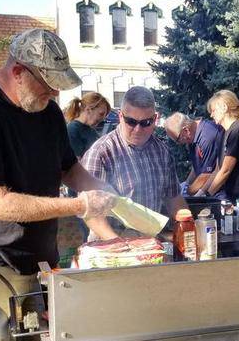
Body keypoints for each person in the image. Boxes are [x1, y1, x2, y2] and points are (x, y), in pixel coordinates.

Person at [0, 28, 118, 314]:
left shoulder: (47, 112)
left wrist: (103, 189)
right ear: (18, 71)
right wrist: (79, 205)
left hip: (39, 258)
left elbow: (69, 169)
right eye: (47, 82)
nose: (55, 91)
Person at [82, 86, 187, 237]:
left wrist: (189, 227)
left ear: (155, 119)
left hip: (149, 243)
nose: (138, 129)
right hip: (109, 243)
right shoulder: (101, 152)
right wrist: (117, 243)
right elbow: (91, 212)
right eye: (131, 122)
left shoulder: (162, 152)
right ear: (120, 116)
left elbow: (173, 198)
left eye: (146, 122)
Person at [164, 111, 224, 196]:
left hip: (223, 192)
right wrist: (186, 184)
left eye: (178, 139)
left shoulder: (206, 138)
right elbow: (197, 168)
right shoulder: (193, 138)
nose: (179, 143)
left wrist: (188, 192)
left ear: (186, 130)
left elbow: (206, 174)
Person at [65, 92, 111, 158]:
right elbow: (76, 161)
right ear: (89, 109)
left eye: (105, 116)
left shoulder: (91, 130)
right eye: (101, 114)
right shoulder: (72, 129)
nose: (103, 119)